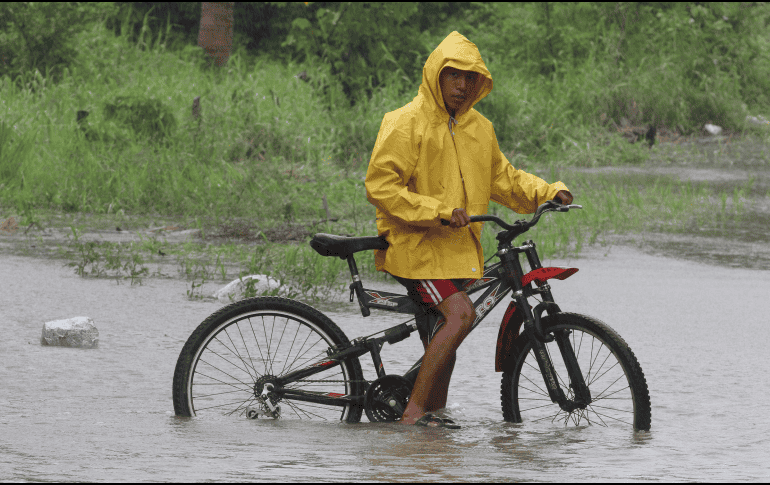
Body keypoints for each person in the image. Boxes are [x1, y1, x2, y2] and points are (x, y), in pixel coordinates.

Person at [364, 31, 573, 428]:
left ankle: (433, 420)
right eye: (454, 75)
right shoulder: (405, 122)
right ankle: (412, 418)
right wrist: (438, 211)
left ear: (480, 82)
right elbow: (381, 186)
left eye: (470, 77)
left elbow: (504, 179)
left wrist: (550, 192)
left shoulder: (480, 128)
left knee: (447, 335)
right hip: (416, 247)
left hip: (456, 249)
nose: (462, 85)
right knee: (460, 315)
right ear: (436, 76)